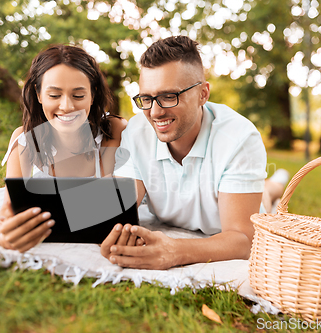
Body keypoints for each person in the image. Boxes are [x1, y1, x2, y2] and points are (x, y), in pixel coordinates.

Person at [100, 36, 287, 270]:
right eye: (147, 98)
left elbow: (244, 239)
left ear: (203, 94)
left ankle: (272, 186)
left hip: (233, 215)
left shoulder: (239, 138)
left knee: (265, 200)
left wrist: (174, 251)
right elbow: (121, 207)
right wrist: (114, 236)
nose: (155, 112)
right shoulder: (136, 132)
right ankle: (269, 185)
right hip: (180, 214)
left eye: (169, 96)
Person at [0, 44, 127, 252]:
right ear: (38, 95)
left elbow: (109, 206)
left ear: (92, 95)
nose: (66, 106)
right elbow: (10, 205)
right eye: (54, 95)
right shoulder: (24, 139)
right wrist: (6, 230)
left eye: (78, 96)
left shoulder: (114, 131)